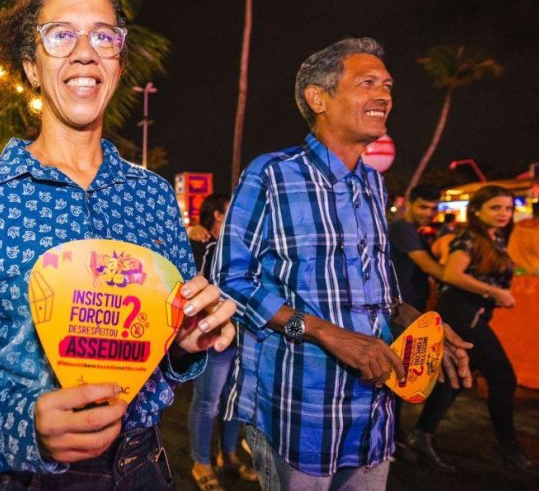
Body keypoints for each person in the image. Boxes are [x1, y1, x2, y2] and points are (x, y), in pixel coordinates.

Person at [0, 0, 237, 489]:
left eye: (103, 36)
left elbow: (164, 350)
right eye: (61, 34)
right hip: (18, 478)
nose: (85, 51)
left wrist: (185, 341)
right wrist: (23, 427)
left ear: (118, 61)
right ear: (30, 66)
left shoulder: (154, 198)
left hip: (143, 468)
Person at [213, 38, 472, 490]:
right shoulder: (272, 175)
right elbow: (230, 280)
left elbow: (380, 288)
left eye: (387, 86)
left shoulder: (373, 183)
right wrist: (324, 332)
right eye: (367, 83)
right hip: (299, 412)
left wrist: (415, 322)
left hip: (374, 413)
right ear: (318, 97)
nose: (384, 96)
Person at [408, 186, 539, 479]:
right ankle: (508, 451)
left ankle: (421, 438)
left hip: (472, 313)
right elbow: (451, 275)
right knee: (503, 377)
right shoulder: (469, 236)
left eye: (508, 209)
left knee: (453, 381)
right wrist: (494, 291)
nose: (503, 214)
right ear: (477, 211)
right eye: (495, 208)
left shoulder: (494, 238)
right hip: (461, 312)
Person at [187, 193, 256, 490]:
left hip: (244, 338)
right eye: (232, 209)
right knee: (207, 403)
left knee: (234, 403)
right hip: (214, 339)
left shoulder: (244, 247)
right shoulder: (204, 245)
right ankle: (200, 463)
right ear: (217, 214)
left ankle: (227, 455)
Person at [389, 185, 444, 313]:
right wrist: (457, 278)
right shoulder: (402, 227)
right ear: (410, 203)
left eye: (433, 209)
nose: (429, 213)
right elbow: (428, 266)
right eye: (423, 207)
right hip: (403, 306)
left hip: (409, 304)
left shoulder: (414, 232)